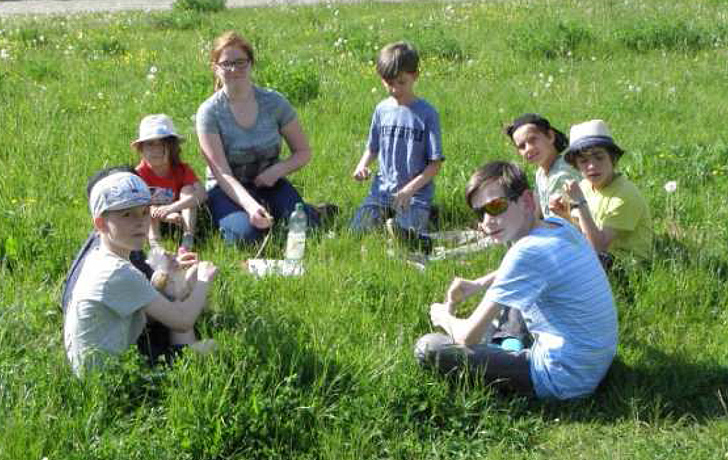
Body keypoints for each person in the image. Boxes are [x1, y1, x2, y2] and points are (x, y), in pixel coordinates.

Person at [414, 161, 617, 400]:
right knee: (515, 292)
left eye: (496, 206)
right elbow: (518, 271)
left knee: (428, 347)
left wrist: (443, 316)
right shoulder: (558, 225)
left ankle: (506, 347)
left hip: (563, 379)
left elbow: (468, 337)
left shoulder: (526, 252)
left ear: (527, 201)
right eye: (480, 213)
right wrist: (478, 284)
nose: (487, 220)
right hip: (595, 362)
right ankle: (509, 343)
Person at [63, 168, 218, 376]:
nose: (140, 222)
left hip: (106, 362)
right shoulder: (117, 271)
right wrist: (203, 280)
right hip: (115, 378)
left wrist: (169, 275)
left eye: (145, 212)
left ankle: (182, 353)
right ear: (100, 222)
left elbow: (147, 305)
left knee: (177, 299)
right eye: (127, 214)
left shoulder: (102, 256)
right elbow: (183, 320)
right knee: (214, 347)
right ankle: (183, 362)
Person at [196, 31, 327, 245]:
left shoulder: (274, 102)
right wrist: (250, 206)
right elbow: (222, 174)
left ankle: (313, 211)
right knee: (246, 239)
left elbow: (303, 152)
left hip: (270, 182)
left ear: (251, 64)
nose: (234, 69)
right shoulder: (209, 112)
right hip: (226, 189)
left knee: (303, 231)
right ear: (215, 68)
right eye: (226, 64)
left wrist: (276, 171)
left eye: (240, 62)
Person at [350, 41, 444, 237]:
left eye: (401, 82)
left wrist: (409, 190)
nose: (394, 89)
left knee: (406, 235)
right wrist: (362, 166)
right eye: (389, 83)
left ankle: (426, 213)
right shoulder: (382, 110)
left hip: (415, 194)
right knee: (356, 231)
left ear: (415, 76)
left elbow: (435, 165)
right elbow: (372, 147)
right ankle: (395, 215)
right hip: (381, 192)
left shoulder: (427, 114)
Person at [551, 119, 653, 263]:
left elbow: (598, 246)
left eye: (599, 157)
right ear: (576, 166)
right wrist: (565, 216)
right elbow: (584, 235)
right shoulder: (585, 186)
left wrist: (579, 203)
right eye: (584, 161)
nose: (592, 166)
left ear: (613, 159)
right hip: (597, 256)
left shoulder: (624, 194)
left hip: (626, 266)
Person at [132, 114, 206, 253]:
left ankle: (187, 240)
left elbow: (202, 194)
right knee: (146, 207)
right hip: (152, 217)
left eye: (162, 144)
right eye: (150, 144)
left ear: (173, 147)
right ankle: (156, 246)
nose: (156, 150)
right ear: (141, 149)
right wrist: (163, 215)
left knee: (188, 190)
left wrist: (172, 208)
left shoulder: (181, 169)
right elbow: (137, 205)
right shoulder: (139, 174)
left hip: (180, 216)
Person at [505, 113, 581, 219]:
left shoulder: (564, 173)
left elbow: (573, 220)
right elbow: (537, 211)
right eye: (522, 146)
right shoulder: (541, 173)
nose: (528, 149)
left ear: (550, 136)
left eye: (533, 140)